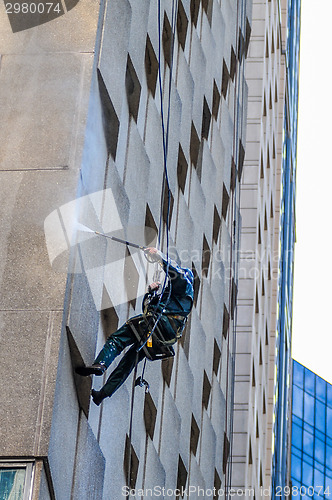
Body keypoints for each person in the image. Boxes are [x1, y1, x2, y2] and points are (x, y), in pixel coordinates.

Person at [76, 247, 194, 405]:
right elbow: (151, 305)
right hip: (157, 340)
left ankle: (101, 364)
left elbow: (177, 274)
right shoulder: (179, 300)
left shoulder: (185, 285)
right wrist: (152, 292)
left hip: (156, 326)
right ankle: (102, 394)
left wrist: (159, 256)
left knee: (118, 339)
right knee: (130, 361)